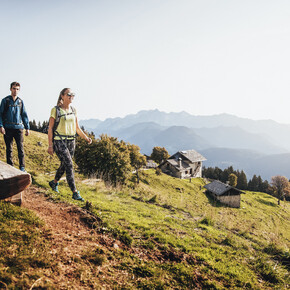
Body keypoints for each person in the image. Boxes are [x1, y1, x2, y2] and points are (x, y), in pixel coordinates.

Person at [47, 88, 92, 201]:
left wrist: (86, 138)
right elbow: (50, 128)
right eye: (69, 94)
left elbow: (77, 128)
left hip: (71, 141)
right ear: (62, 96)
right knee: (69, 164)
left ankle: (54, 183)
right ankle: (75, 192)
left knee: (65, 164)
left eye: (73, 95)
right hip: (59, 140)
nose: (71, 96)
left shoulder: (73, 109)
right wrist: (50, 145)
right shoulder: (56, 110)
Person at [0, 81, 30, 172]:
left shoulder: (21, 102)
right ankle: (10, 167)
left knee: (20, 148)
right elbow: (0, 114)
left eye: (17, 89)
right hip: (8, 128)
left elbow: (24, 115)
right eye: (14, 88)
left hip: (19, 128)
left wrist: (27, 127)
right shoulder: (5, 101)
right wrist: (1, 126)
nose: (15, 91)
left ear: (19, 90)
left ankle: (22, 167)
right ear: (10, 89)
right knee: (9, 149)